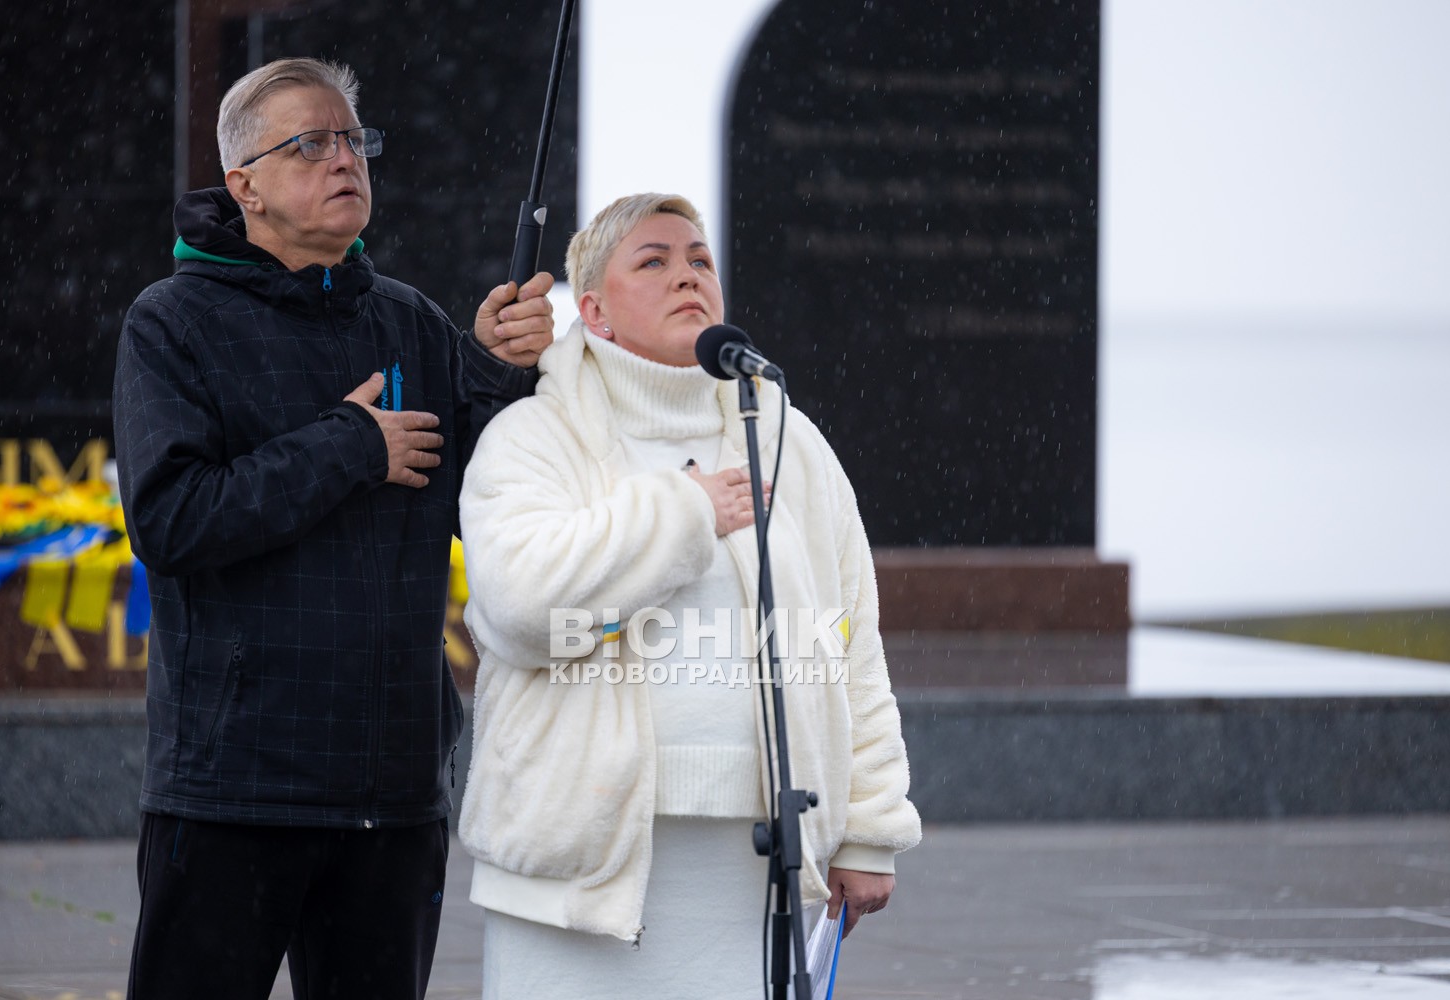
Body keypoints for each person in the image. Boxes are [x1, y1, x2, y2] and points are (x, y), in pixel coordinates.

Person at [112, 57, 555, 1000]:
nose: (343, 159)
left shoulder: (409, 321)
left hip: (391, 795)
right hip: (232, 789)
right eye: (308, 143)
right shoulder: (173, 322)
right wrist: (349, 445)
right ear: (246, 186)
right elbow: (172, 521)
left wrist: (496, 369)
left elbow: (487, 494)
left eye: (354, 139)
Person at [455, 193, 922, 998]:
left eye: (699, 259)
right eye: (654, 260)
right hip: (579, 874)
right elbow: (523, 612)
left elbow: (850, 645)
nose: (687, 276)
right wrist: (686, 513)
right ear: (593, 310)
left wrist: (869, 832)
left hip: (754, 869)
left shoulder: (788, 441)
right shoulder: (533, 437)